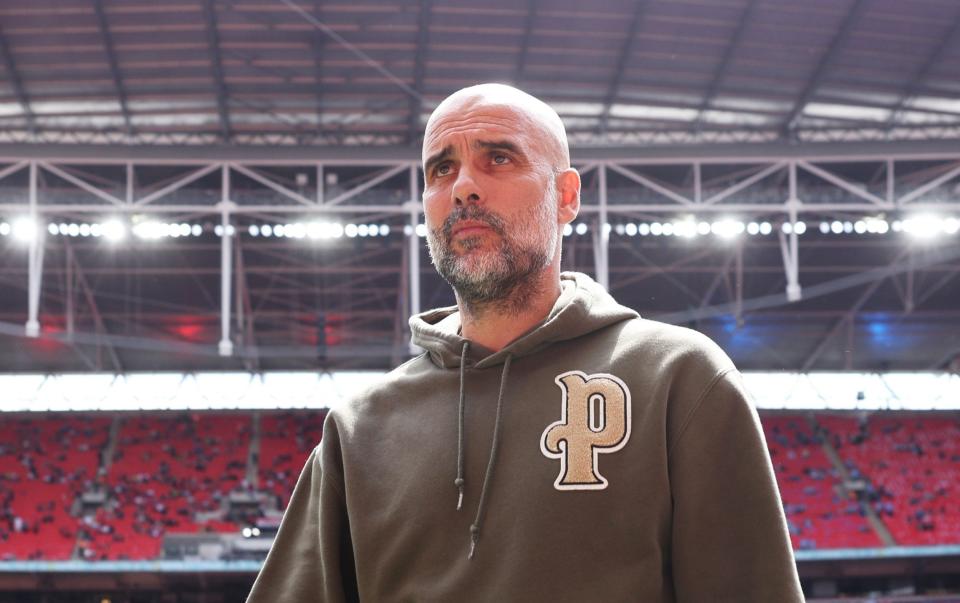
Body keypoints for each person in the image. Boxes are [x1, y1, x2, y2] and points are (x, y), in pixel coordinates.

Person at [247, 84, 804, 602]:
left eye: (499, 158)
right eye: (442, 168)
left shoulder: (678, 378)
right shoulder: (361, 427)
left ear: (566, 197)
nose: (463, 185)